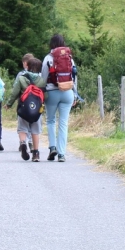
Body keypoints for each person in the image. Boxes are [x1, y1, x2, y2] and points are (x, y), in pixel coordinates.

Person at [4, 54, 46, 162]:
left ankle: (23, 143)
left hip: (23, 108)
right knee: (35, 131)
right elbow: (46, 96)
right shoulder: (42, 80)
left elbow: (14, 93)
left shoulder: (22, 78)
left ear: (27, 66)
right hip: (37, 110)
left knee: (22, 128)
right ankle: (36, 154)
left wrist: (9, 104)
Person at [40, 34, 76, 162]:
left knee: (50, 120)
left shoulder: (48, 58)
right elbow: (74, 76)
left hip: (52, 92)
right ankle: (61, 154)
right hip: (68, 92)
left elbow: (43, 78)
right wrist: (75, 93)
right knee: (63, 123)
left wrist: (41, 92)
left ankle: (52, 148)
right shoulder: (69, 58)